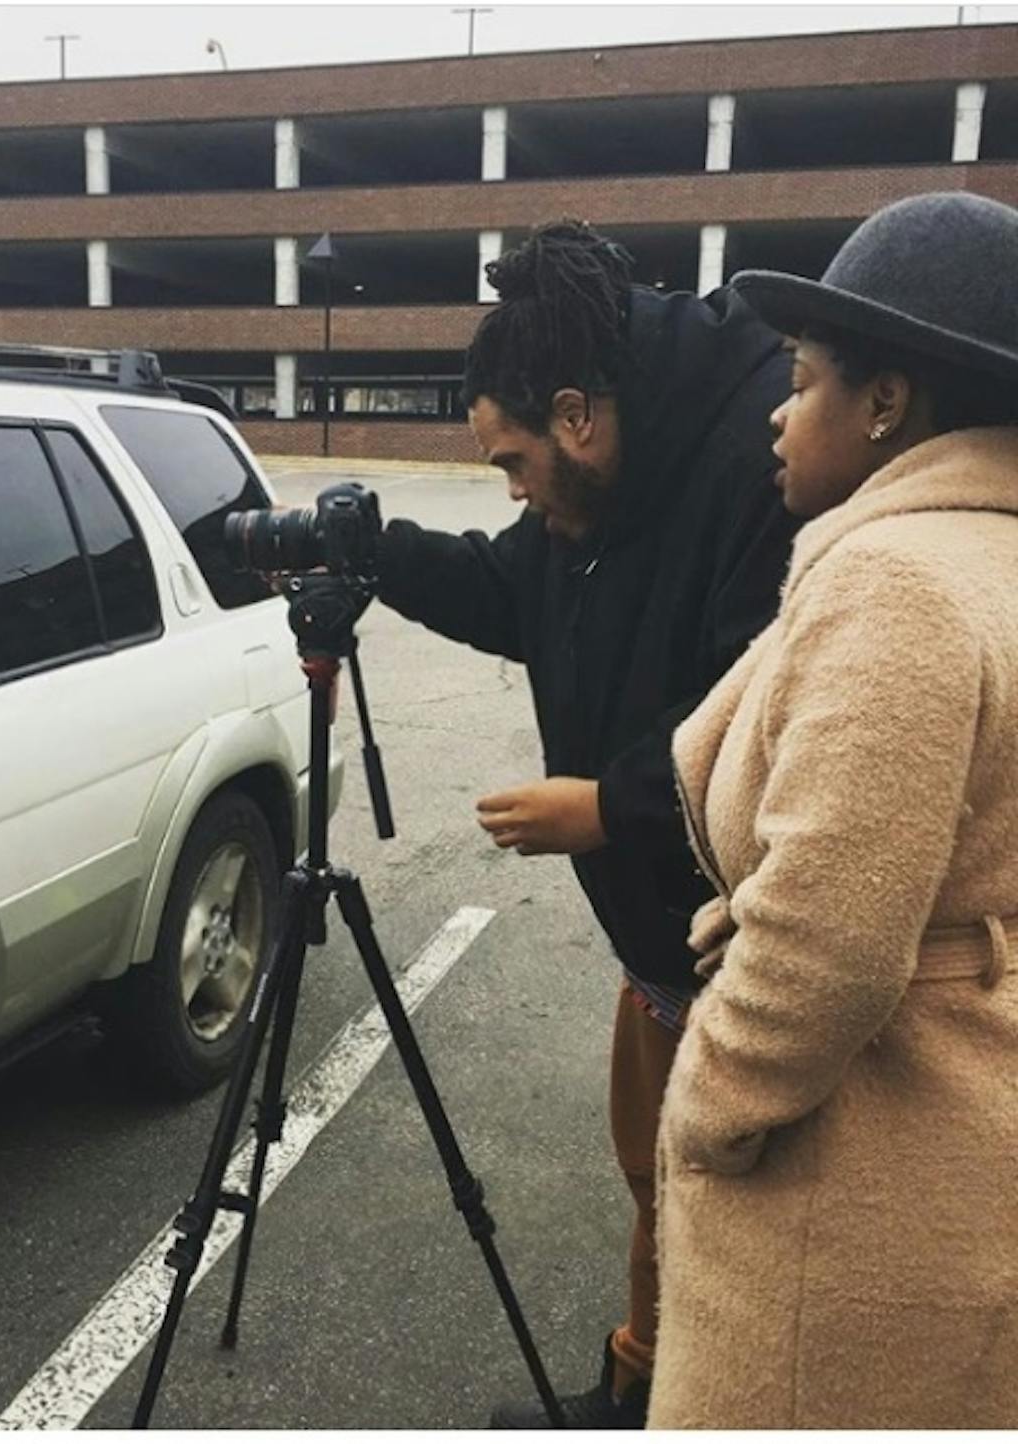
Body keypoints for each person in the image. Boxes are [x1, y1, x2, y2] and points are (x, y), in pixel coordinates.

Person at [370, 220, 800, 1428]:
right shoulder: (600, 486)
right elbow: (519, 586)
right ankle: (639, 1386)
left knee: (732, 1209)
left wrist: (607, 809)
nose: (513, 492)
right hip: (658, 946)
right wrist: (383, 555)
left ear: (573, 415)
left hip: (750, 950)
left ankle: (691, 1403)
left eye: (511, 463)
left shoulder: (758, 464)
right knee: (658, 1183)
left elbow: (770, 719)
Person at [650, 190, 1018, 1429]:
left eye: (802, 378)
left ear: (882, 403)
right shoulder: (993, 561)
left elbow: (830, 939)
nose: (776, 408)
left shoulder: (897, 584)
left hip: (856, 1190)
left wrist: (706, 1110)